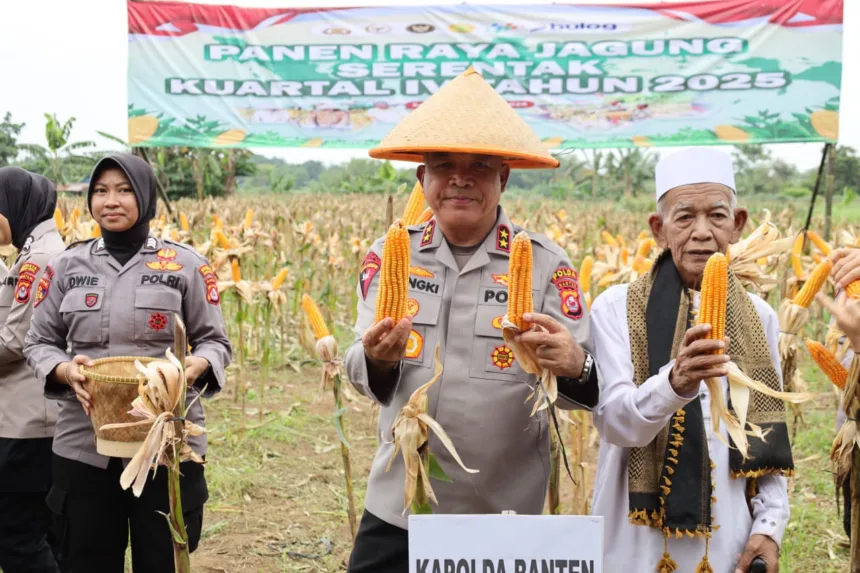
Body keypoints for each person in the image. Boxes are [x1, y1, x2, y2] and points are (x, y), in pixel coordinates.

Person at [345, 67, 599, 572]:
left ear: (502, 179)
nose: (460, 178)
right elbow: (360, 373)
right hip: (400, 506)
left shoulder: (548, 264)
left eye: (480, 165)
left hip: (502, 511)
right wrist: (376, 359)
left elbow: (584, 390)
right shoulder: (389, 255)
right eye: (444, 165)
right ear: (423, 178)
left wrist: (574, 364)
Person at [24, 153, 232, 572]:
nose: (110, 201)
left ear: (145, 197)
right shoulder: (66, 265)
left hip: (166, 444)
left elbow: (215, 342)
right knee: (86, 558)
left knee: (162, 559)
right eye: (100, 191)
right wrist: (65, 370)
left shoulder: (186, 265)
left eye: (123, 190)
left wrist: (193, 367)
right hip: (84, 445)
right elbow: (39, 342)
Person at [590, 148, 791, 573]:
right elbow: (614, 422)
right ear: (659, 229)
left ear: (737, 226)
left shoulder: (760, 317)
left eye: (717, 216)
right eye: (684, 218)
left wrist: (770, 526)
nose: (702, 233)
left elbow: (768, 431)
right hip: (633, 539)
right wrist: (675, 383)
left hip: (729, 536)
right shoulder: (614, 307)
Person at [0, 167, 64, 573]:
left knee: (16, 536)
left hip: (28, 422)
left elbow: (15, 341)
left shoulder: (38, 259)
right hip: (31, 417)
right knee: (44, 532)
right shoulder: (30, 252)